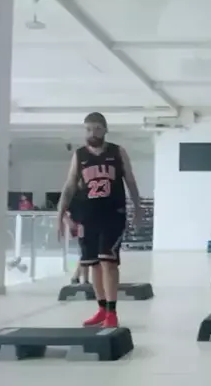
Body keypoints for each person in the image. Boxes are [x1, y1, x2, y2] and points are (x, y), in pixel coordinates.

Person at [57, 112, 143, 328]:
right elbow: (69, 185)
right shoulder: (79, 155)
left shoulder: (117, 152)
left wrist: (137, 207)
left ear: (105, 130)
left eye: (97, 128)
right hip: (88, 216)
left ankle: (112, 313)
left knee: (109, 262)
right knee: (93, 264)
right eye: (88, 129)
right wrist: (60, 215)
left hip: (113, 213)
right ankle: (102, 308)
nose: (92, 133)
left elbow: (130, 180)